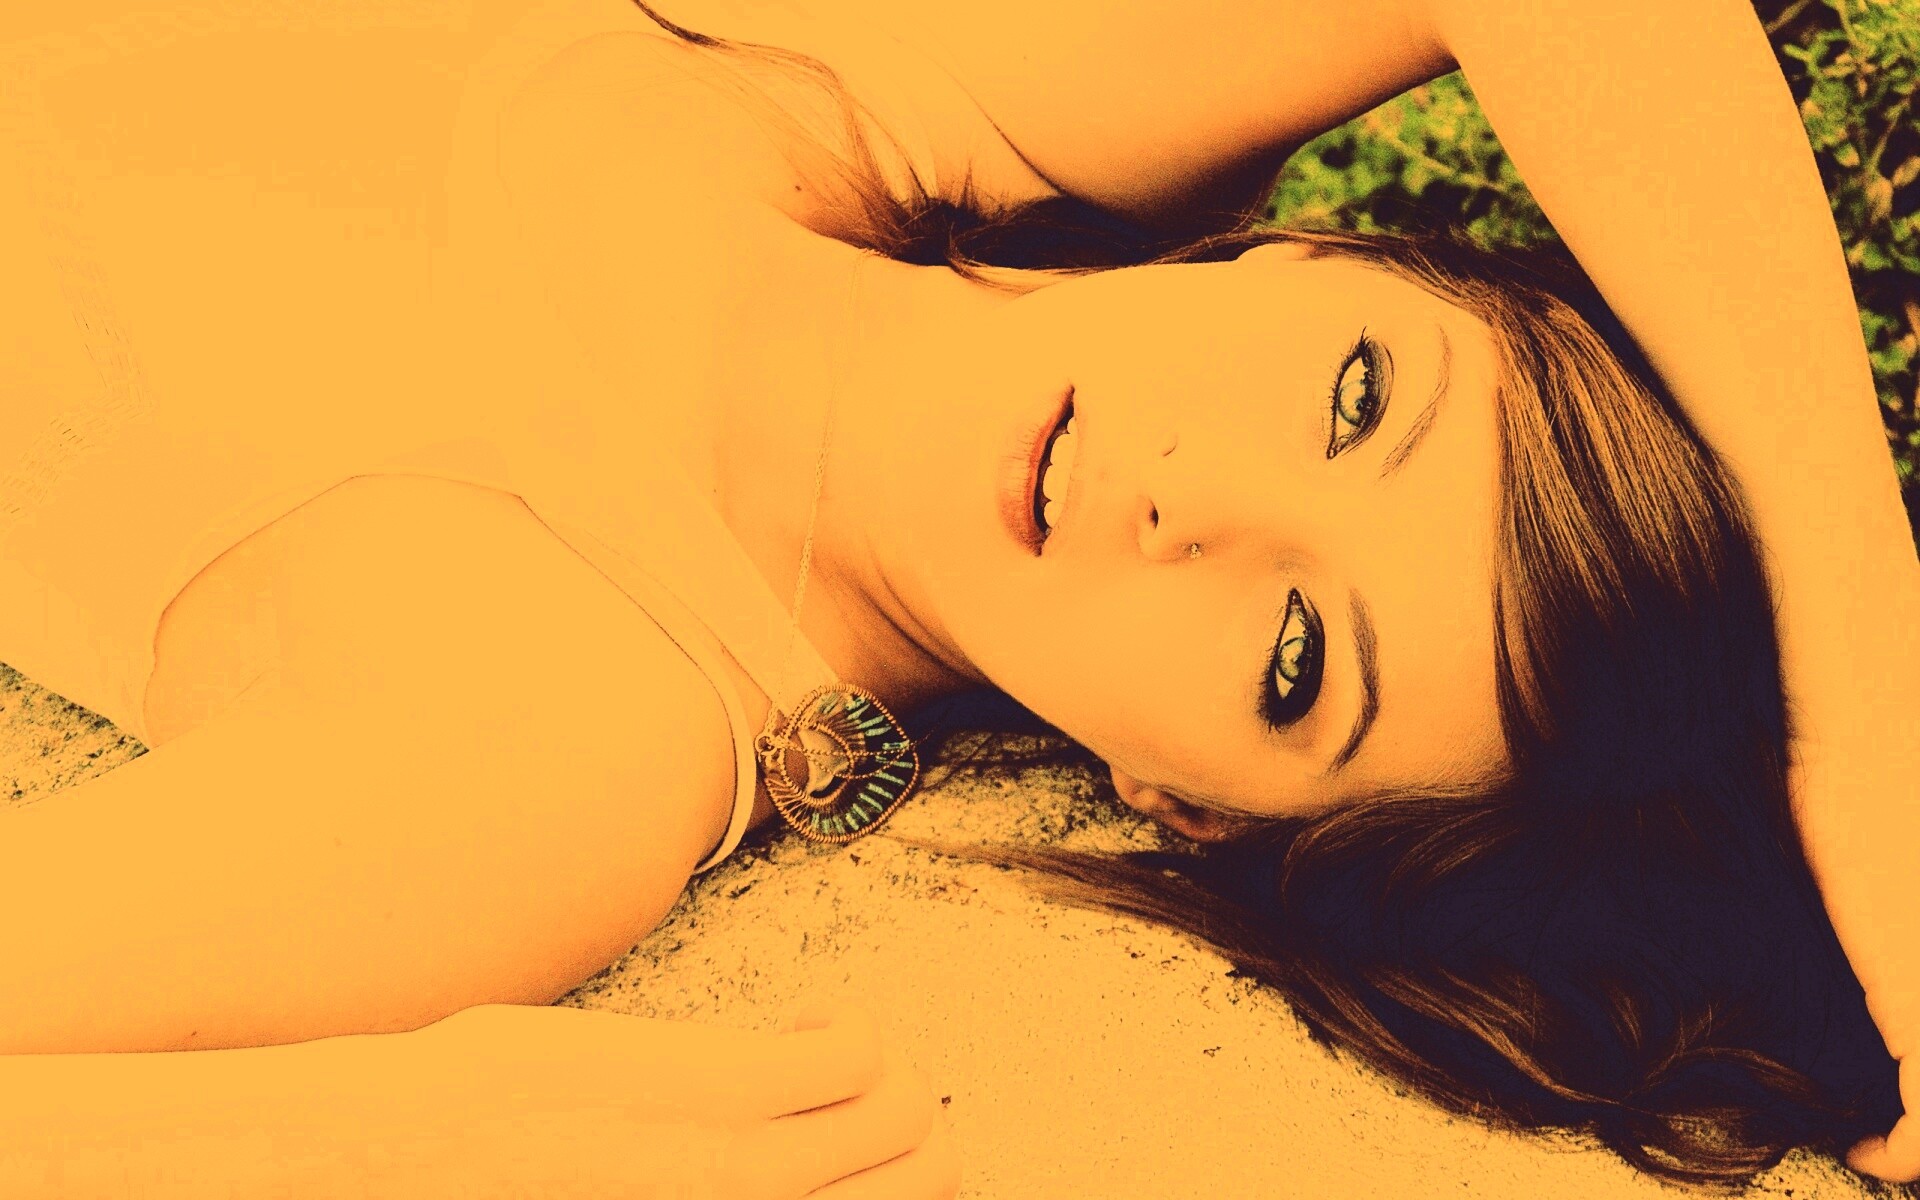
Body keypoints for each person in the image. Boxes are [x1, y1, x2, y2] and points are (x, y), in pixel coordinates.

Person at [0, 0, 1913, 1194]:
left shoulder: (562, 720)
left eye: (1293, 659)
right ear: (1308, 257)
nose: (1192, 498)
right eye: (1356, 395)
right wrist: (1865, 655)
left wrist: (325, 1148)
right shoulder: (910, 86)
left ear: (1188, 805)